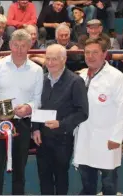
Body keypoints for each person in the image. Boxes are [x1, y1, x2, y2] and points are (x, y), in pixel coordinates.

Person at [0, 29, 44, 195]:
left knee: (20, 170)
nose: (19, 50)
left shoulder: (37, 70)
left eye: (23, 46)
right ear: (10, 45)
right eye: (16, 45)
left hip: (22, 124)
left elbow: (38, 100)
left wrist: (28, 107)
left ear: (30, 46)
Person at [73, 37, 123, 195]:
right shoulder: (81, 76)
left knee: (109, 184)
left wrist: (117, 138)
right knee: (87, 182)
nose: (90, 56)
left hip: (107, 138)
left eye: (95, 53)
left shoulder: (117, 77)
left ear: (105, 54)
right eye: (87, 52)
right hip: (84, 136)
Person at [32, 44, 89, 195]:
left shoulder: (75, 82)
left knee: (61, 178)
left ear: (64, 59)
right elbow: (36, 105)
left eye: (55, 59)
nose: (50, 63)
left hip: (62, 139)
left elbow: (83, 112)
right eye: (48, 59)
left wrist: (61, 124)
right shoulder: (41, 80)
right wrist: (35, 128)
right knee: (44, 178)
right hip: (42, 138)